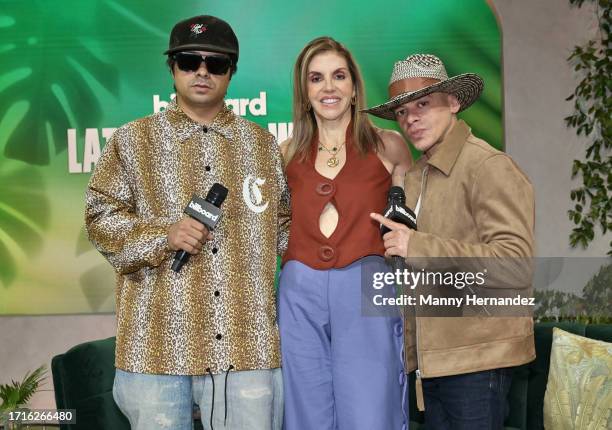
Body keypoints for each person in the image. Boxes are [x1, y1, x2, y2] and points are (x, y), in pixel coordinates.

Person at [85, 15, 289, 430]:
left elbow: (285, 227)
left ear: (231, 73)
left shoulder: (262, 145)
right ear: (172, 68)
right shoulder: (132, 140)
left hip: (244, 344)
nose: (201, 71)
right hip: (156, 345)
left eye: (216, 64)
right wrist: (164, 235)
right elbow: (100, 217)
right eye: (189, 60)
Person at [367, 54, 536, 429]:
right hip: (435, 365)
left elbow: (515, 264)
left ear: (454, 102)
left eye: (423, 104)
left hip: (479, 362)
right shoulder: (418, 176)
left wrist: (419, 247)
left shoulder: (487, 166)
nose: (411, 119)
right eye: (402, 112)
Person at [278, 36, 413, 430]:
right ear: (304, 93)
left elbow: (413, 215)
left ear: (355, 87)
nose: (329, 87)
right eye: (316, 79)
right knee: (306, 412)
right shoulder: (284, 153)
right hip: (298, 293)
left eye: (339, 76)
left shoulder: (390, 147)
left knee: (372, 409)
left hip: (367, 285)